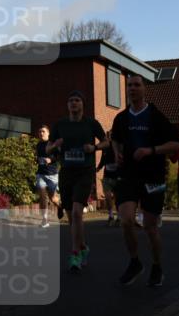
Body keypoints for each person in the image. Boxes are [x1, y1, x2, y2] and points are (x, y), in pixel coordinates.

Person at [110, 74, 179, 287]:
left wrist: (151, 150)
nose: (132, 88)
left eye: (136, 85)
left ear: (144, 89)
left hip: (154, 176)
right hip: (129, 175)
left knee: (150, 227)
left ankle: (157, 266)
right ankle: (135, 262)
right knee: (126, 220)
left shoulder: (155, 116)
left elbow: (176, 145)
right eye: (129, 85)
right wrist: (116, 152)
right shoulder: (121, 118)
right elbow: (115, 138)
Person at [48, 91, 107, 274]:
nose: (73, 103)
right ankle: (82, 247)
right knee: (72, 217)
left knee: (76, 212)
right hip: (66, 172)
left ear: (83, 104)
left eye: (77, 100)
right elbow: (48, 148)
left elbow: (106, 142)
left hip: (85, 171)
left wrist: (94, 147)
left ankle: (75, 254)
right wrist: (55, 146)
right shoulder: (60, 125)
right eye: (71, 101)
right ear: (67, 105)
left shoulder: (91, 124)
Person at [34, 124, 60, 228]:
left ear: (48, 133)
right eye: (40, 132)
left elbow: (59, 156)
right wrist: (36, 159)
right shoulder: (38, 145)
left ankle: (61, 206)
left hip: (52, 174)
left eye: (43, 131)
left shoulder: (53, 144)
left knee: (53, 198)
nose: (41, 133)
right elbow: (38, 156)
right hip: (41, 174)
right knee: (42, 195)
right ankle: (44, 220)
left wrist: (51, 160)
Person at [97, 130, 120, 226]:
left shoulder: (118, 147)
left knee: (118, 197)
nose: (110, 138)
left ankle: (119, 217)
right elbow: (103, 159)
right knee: (107, 196)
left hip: (117, 176)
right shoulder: (105, 147)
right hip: (107, 176)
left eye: (111, 136)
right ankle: (110, 215)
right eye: (108, 136)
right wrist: (98, 168)